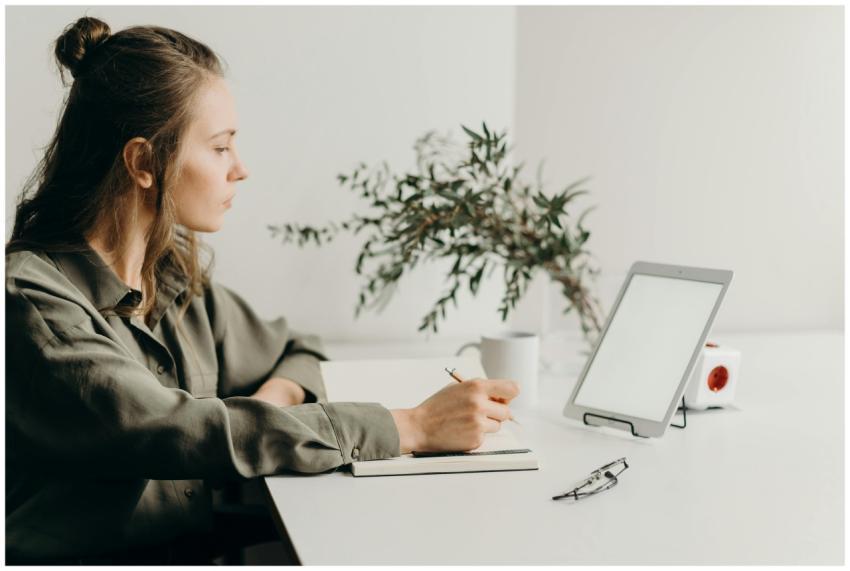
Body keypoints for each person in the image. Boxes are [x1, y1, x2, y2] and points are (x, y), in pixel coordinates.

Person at [5, 16, 520, 564]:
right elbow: (177, 431)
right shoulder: (33, 303)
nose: (241, 169)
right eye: (221, 147)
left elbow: (299, 351)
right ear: (143, 163)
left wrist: (268, 404)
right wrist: (411, 426)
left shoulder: (174, 282)